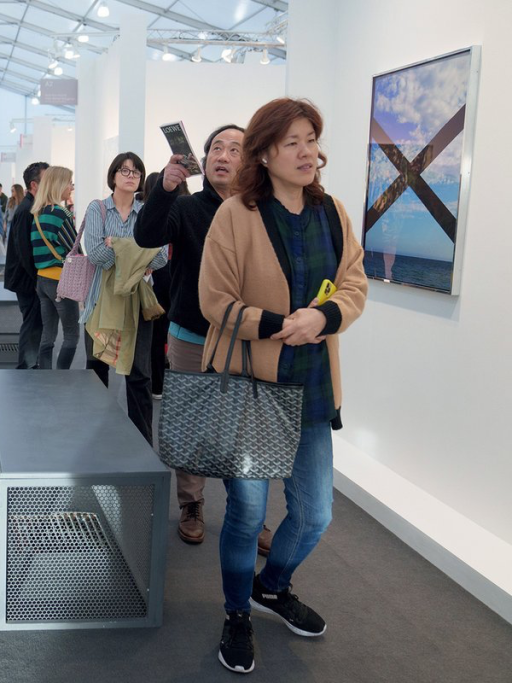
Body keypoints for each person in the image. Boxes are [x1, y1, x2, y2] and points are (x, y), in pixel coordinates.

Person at [197, 98, 367, 674]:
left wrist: (323, 317)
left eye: (312, 138)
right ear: (264, 152)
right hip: (250, 384)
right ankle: (236, 613)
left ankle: (271, 585)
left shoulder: (334, 212)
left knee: (315, 512)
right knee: (247, 513)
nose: (306, 151)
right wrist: (278, 324)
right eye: (292, 141)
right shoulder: (236, 214)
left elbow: (354, 285)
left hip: (314, 386)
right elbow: (213, 300)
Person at [135, 123, 252, 546]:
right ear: (203, 160)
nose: (223, 156)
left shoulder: (259, 210)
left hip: (244, 338)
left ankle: (247, 510)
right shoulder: (187, 208)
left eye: (234, 149)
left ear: (250, 160)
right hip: (191, 334)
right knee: (189, 423)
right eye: (216, 148)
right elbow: (146, 235)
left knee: (241, 428)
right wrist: (165, 189)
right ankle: (191, 501)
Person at [81, 153, 166, 443]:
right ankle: (93, 437)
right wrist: (137, 254)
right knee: (96, 370)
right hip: (99, 301)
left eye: (136, 172)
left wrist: (116, 243)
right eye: (124, 170)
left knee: (140, 375)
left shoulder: (147, 212)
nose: (131, 176)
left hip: (138, 304)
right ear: (113, 176)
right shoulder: (98, 209)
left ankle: (142, 444)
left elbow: (163, 256)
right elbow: (96, 254)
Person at [30, 166, 78, 370]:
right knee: (71, 335)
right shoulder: (61, 213)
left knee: (48, 334)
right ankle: (61, 376)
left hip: (42, 280)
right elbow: (74, 249)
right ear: (58, 184)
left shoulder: (37, 214)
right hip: (61, 281)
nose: (71, 187)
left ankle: (45, 374)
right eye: (69, 182)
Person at [3, 162, 48, 369]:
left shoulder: (32, 207)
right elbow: (24, 251)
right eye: (47, 180)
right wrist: (39, 280)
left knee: (35, 323)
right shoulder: (26, 210)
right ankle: (27, 367)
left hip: (30, 279)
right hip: (28, 280)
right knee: (32, 324)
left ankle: (30, 365)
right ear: (34, 185)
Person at [141, 171, 174, 401]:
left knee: (156, 331)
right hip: (173, 273)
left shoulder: (147, 212)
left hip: (157, 275)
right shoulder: (180, 206)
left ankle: (157, 385)